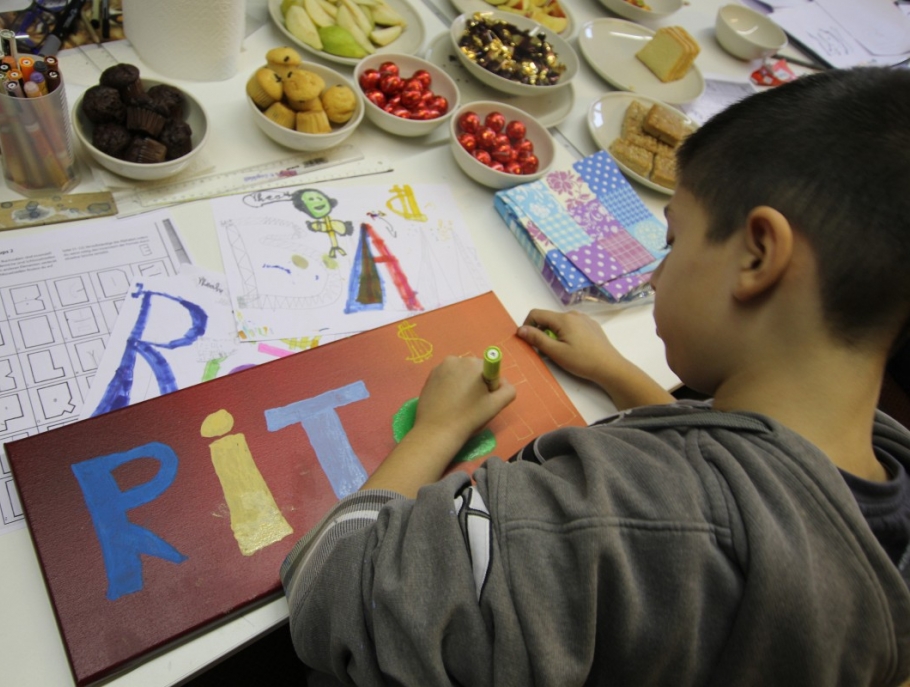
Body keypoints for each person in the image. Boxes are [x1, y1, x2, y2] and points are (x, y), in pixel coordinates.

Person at [280, 67, 910, 686]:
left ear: (757, 255)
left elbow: (330, 593)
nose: (656, 275)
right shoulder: (878, 484)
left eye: (674, 241)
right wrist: (617, 372)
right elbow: (746, 455)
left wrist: (436, 428)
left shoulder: (613, 518)